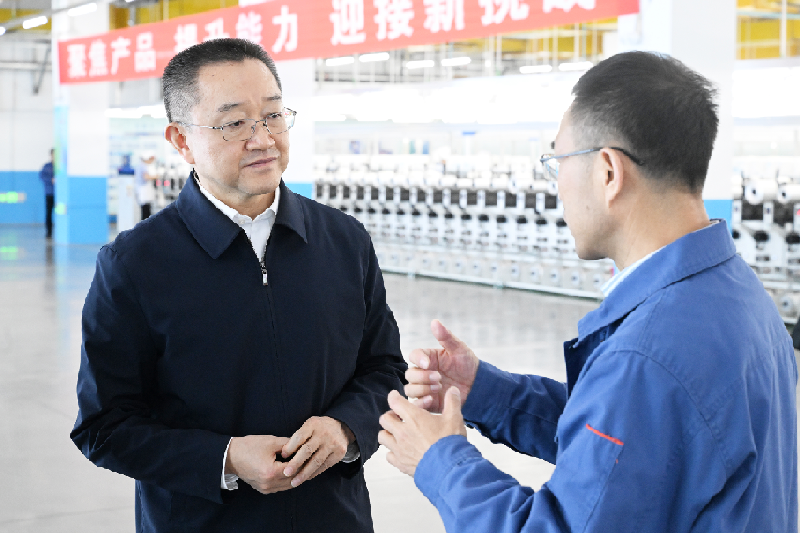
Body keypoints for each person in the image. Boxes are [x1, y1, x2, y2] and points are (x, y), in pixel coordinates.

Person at [378, 51, 798, 532]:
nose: (557, 186)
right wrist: (485, 392)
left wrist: (439, 460)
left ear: (608, 172)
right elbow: (630, 451)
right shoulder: (736, 293)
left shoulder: (648, 354)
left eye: (558, 161)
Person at [71, 38, 406, 533]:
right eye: (234, 123)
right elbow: (105, 427)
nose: (262, 139)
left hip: (335, 518)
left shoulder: (343, 240)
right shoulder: (135, 264)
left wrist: (346, 427)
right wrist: (223, 458)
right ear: (181, 141)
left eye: (273, 115)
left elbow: (385, 369)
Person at [134, 151, 157, 220]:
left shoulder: (142, 166)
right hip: (144, 190)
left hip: (144, 190)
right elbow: (146, 177)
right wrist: (156, 176)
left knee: (147, 209)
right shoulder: (143, 166)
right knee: (145, 210)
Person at [39, 148, 54, 238]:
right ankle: (49, 232)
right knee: (49, 213)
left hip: (60, 195)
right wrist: (50, 180)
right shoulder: (47, 166)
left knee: (61, 213)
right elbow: (41, 177)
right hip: (49, 193)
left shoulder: (61, 167)